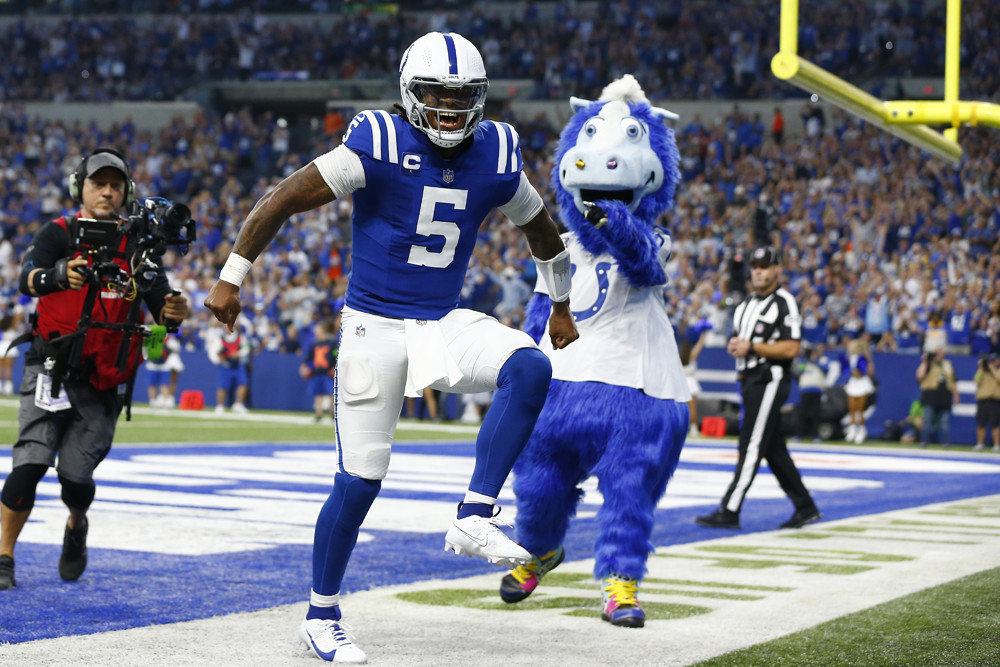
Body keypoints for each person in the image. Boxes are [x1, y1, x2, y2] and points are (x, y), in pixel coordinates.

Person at [203, 31, 578, 663]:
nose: (451, 108)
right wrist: (230, 276)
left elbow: (541, 227)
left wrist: (561, 302)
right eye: (436, 92)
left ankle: (474, 513)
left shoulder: (496, 152)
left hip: (440, 320)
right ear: (409, 92)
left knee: (529, 365)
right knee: (358, 484)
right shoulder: (377, 140)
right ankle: (321, 615)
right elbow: (284, 198)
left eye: (463, 96)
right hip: (373, 326)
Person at [0, 148, 190, 590]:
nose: (107, 191)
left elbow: (161, 307)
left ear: (126, 192)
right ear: (79, 188)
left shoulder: (138, 246)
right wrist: (59, 274)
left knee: (75, 478)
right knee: (29, 464)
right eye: (98, 183)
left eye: (115, 185)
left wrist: (172, 311)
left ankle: (76, 523)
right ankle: (4, 555)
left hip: (104, 374)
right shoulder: (58, 232)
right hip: (49, 365)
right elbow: (26, 278)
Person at [696, 246, 821, 530]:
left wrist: (751, 347)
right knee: (772, 447)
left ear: (778, 269)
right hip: (749, 380)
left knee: (750, 442)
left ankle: (730, 508)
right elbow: (743, 342)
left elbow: (792, 347)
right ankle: (806, 506)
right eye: (755, 266)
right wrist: (738, 347)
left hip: (770, 378)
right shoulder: (745, 306)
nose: (758, 270)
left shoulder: (784, 302)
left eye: (765, 265)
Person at [916, 347, 959, 448]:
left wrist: (956, 394)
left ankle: (946, 443)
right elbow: (919, 376)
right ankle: (924, 442)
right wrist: (925, 361)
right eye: (937, 353)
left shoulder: (948, 364)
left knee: (944, 422)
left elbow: (953, 380)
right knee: (927, 420)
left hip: (945, 396)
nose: (939, 355)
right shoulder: (928, 364)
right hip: (930, 395)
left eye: (940, 353)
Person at [206, 320, 252, 414]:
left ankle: (238, 404)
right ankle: (220, 406)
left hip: (238, 365)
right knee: (222, 386)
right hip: (225, 365)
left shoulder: (241, 337)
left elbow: (246, 349)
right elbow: (212, 352)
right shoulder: (219, 339)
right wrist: (218, 359)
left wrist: (238, 354)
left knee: (243, 384)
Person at [300, 317, 340, 423]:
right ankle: (319, 414)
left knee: (331, 393)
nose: (315, 331)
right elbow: (309, 358)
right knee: (318, 394)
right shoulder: (315, 343)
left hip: (328, 373)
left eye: (317, 328)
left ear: (323, 330)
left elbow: (336, 355)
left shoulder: (332, 343)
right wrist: (304, 366)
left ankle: (333, 414)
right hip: (317, 372)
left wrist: (335, 367)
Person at [844, 336, 876, 444]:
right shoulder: (850, 357)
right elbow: (846, 370)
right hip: (853, 382)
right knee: (852, 408)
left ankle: (861, 430)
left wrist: (868, 362)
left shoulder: (864, 357)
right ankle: (852, 429)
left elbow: (870, 372)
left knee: (860, 409)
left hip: (862, 382)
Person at [795, 343, 827, 443]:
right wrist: (805, 359)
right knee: (802, 413)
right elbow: (799, 371)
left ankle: (816, 436)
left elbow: (826, 369)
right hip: (805, 390)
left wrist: (815, 360)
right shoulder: (804, 361)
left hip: (817, 390)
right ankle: (799, 435)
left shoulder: (822, 360)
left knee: (815, 414)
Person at [145, 334, 184, 408]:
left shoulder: (170, 339)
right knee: (152, 384)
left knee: (165, 384)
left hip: (165, 364)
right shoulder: (152, 338)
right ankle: (152, 401)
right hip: (153, 364)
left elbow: (175, 349)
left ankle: (167, 401)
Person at [973, 353, 1000, 452]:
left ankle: (996, 445)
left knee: (995, 424)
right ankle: (980, 444)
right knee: (981, 424)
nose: (993, 362)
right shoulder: (982, 371)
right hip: (983, 400)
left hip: (995, 401)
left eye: (994, 360)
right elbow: (976, 381)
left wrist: (992, 368)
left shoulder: (998, 370)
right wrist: (980, 368)